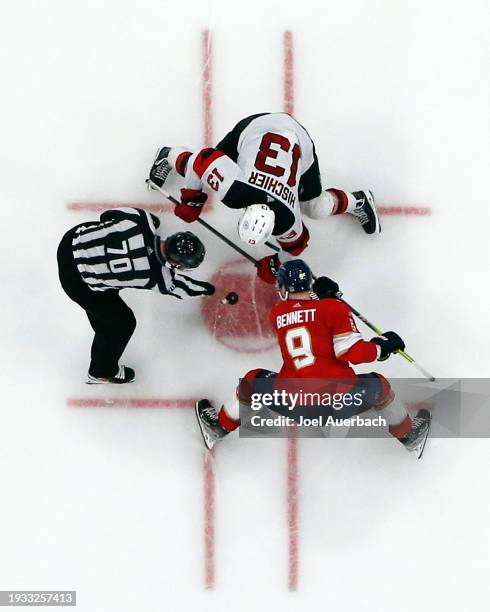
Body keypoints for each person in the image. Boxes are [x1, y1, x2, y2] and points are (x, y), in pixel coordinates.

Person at [195, 259, 431, 456]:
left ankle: (220, 427)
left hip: (293, 404)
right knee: (379, 385)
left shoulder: (278, 315)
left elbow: (304, 315)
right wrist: (382, 347)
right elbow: (352, 352)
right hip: (340, 404)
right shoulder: (334, 310)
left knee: (252, 380)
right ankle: (408, 436)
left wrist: (324, 300)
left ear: (285, 290)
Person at [146, 112, 380, 283]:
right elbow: (201, 160)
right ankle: (167, 155)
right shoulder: (237, 192)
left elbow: (298, 244)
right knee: (205, 168)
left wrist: (192, 199)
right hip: (256, 129)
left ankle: (358, 200)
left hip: (298, 139)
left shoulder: (285, 217)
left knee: (314, 209)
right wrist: (192, 198)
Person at [57, 207, 213, 384]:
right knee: (122, 324)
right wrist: (209, 290)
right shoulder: (158, 278)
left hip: (70, 242)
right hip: (76, 283)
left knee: (109, 234)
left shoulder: (140, 219)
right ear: (176, 265)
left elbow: (107, 216)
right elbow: (186, 288)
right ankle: (101, 372)